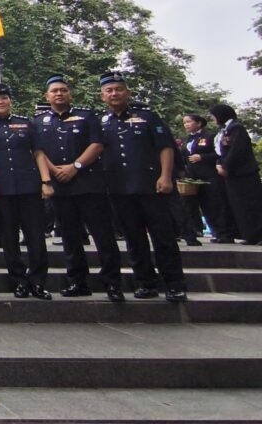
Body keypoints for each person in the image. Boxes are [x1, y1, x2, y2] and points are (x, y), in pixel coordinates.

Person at [32, 74, 123, 302]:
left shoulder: (87, 116)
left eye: (63, 90)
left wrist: (76, 166)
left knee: (103, 236)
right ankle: (77, 281)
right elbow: (38, 151)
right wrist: (54, 171)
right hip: (61, 187)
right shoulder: (39, 121)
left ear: (70, 93)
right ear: (47, 96)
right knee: (70, 237)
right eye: (54, 91)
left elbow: (97, 144)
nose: (59, 94)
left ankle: (112, 283)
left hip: (89, 183)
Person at [99, 71, 187, 302]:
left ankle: (174, 284)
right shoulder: (102, 121)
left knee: (163, 237)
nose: (114, 93)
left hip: (151, 186)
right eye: (109, 90)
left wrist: (166, 176)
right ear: (102, 96)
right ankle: (146, 282)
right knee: (133, 238)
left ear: (127, 92)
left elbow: (165, 147)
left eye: (118, 89)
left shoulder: (148, 116)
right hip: (119, 188)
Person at [0, 82, 52, 300]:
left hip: (29, 186)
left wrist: (45, 181)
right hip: (2, 189)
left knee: (36, 237)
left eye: (4, 98)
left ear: (10, 100)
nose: (0, 102)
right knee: (9, 238)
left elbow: (38, 152)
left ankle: (38, 282)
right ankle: (19, 281)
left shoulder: (26, 123)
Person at [210, 103, 262, 245]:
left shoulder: (236, 128)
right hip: (232, 175)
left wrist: (226, 167)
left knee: (250, 205)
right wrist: (219, 164)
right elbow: (223, 151)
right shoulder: (226, 130)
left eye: (213, 116)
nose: (212, 119)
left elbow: (237, 151)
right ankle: (248, 234)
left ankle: (257, 235)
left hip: (244, 174)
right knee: (237, 206)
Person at [181, 114, 236, 244]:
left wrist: (202, 157)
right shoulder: (188, 139)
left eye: (189, 122)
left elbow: (219, 153)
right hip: (193, 176)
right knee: (198, 205)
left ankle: (224, 233)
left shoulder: (210, 136)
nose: (186, 125)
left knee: (214, 204)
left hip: (210, 174)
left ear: (199, 123)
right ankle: (200, 231)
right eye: (184, 123)